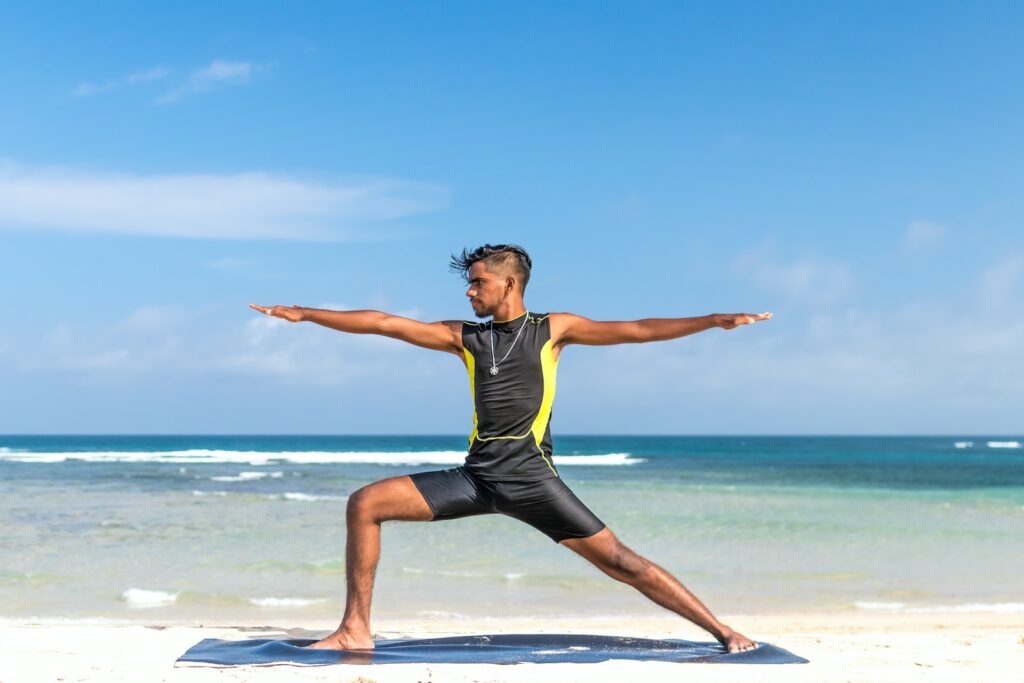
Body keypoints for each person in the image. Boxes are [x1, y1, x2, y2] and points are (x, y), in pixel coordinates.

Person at [250, 243, 771, 653]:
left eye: (477, 283)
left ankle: (722, 630)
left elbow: (636, 329)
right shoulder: (467, 338)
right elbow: (386, 322)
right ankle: (354, 628)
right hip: (475, 480)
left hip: (532, 481)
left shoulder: (552, 331)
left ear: (509, 282)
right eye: (470, 284)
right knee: (365, 503)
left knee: (622, 562)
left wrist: (709, 320)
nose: (470, 293)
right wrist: (308, 314)